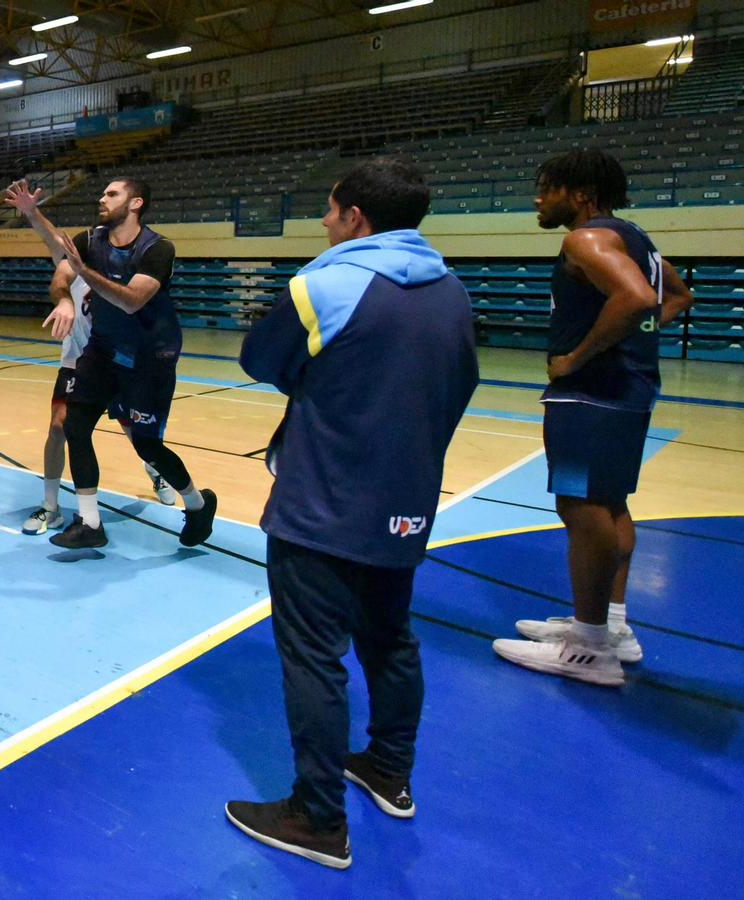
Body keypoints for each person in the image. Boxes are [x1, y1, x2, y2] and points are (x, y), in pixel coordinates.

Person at [224, 158, 478, 869]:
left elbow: (258, 358)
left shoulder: (324, 283)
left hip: (322, 501)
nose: (325, 222)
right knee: (391, 640)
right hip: (407, 504)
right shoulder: (453, 291)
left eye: (330, 211)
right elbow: (460, 386)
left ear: (356, 217)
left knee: (313, 656)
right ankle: (389, 771)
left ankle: (316, 817)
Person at [493, 149, 693, 686]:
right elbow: (673, 294)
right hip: (627, 390)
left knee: (581, 507)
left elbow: (635, 298)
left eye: (546, 187)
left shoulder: (584, 239)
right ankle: (612, 626)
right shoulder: (634, 237)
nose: (537, 198)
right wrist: (636, 338)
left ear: (579, 194)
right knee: (609, 503)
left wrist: (577, 357)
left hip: (589, 394)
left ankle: (587, 645)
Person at [2, 177, 216, 550]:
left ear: (136, 203)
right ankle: (89, 522)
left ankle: (198, 503)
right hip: (102, 352)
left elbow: (133, 300)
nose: (102, 198)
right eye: (103, 193)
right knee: (74, 425)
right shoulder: (92, 239)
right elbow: (61, 265)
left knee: (148, 447)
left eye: (112, 194)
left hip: (149, 360)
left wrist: (83, 273)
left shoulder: (158, 249)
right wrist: (64, 296)